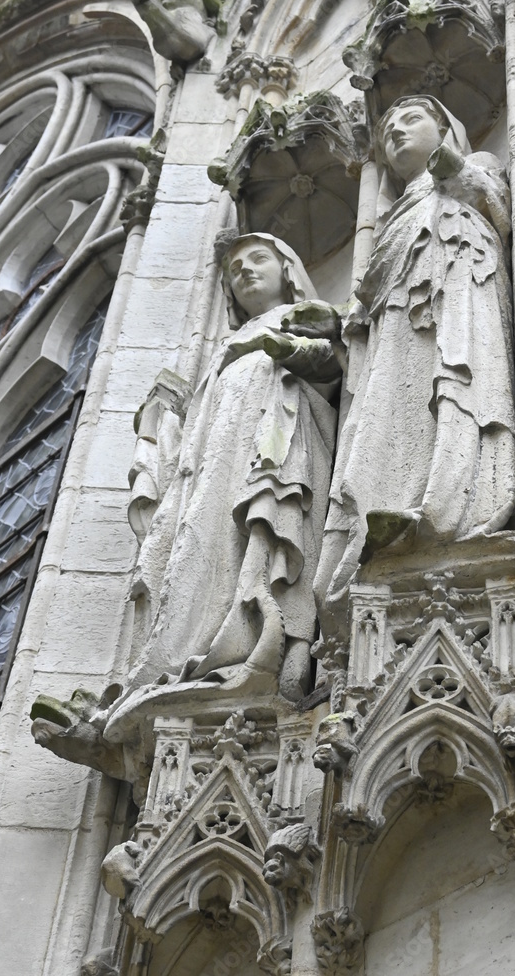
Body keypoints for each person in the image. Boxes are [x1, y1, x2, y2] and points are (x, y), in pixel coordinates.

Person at [287, 96, 515, 638]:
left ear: (444, 126)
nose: (394, 132)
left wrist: (457, 173)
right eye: (386, 127)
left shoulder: (476, 166)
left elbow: (500, 213)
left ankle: (451, 508)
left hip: (459, 299)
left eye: (409, 119)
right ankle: (390, 509)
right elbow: (369, 298)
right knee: (390, 414)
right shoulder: (394, 214)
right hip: (395, 333)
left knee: (456, 387)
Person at [126, 233, 339, 700]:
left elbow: (333, 368)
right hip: (218, 460)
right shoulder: (223, 345)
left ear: (287, 269)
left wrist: (287, 348)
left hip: (279, 440)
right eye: (233, 268)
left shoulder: (303, 317)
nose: (244, 270)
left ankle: (284, 645)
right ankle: (207, 648)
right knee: (208, 542)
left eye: (257, 258)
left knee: (275, 523)